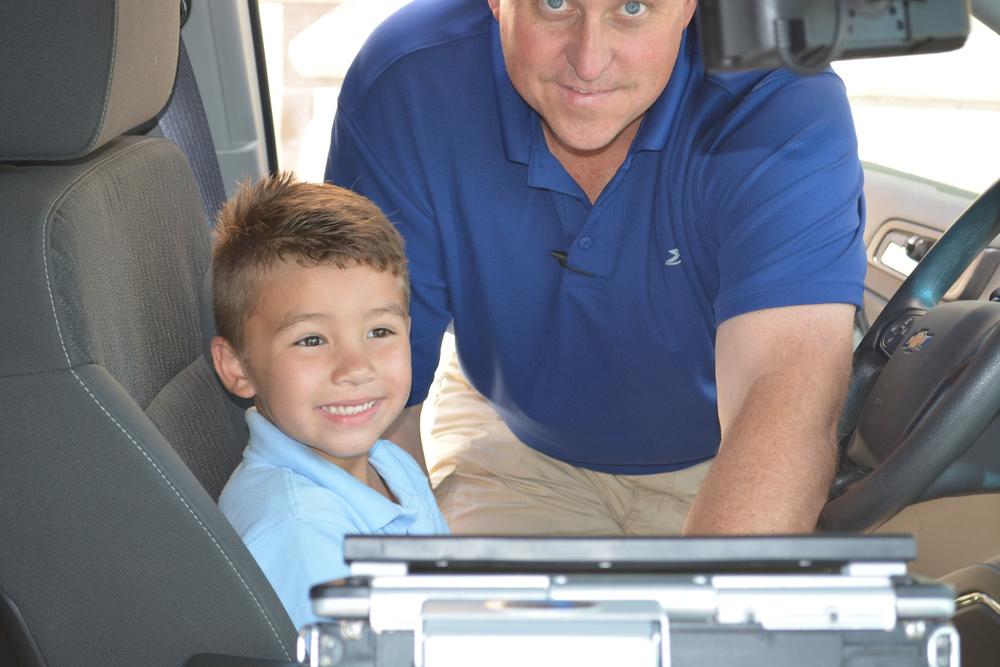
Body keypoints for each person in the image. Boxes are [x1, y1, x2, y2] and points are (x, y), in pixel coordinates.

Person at [325, 0, 866, 536]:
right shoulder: (409, 82)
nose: (588, 62)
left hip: (726, 461)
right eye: (555, 3)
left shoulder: (778, 96)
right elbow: (368, 397)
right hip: (511, 442)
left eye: (632, 8)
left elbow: (786, 400)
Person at [211, 173, 449, 628]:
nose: (356, 368)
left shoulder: (386, 463)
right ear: (238, 367)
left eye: (379, 332)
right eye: (312, 339)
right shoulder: (301, 533)